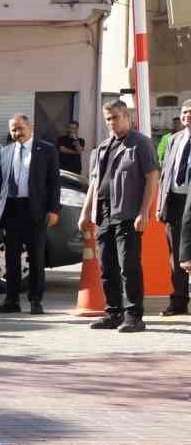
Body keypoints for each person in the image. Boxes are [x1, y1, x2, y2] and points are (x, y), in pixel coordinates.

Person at [80, 99, 159, 333]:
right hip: (104, 213)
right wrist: (85, 212)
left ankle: (134, 315)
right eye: (108, 119)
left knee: (129, 266)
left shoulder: (141, 144)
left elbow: (152, 177)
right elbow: (94, 182)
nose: (111, 123)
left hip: (127, 213)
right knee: (107, 267)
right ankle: (113, 312)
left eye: (115, 117)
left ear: (127, 117)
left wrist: (144, 212)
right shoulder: (103, 147)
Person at [0, 113, 62, 316]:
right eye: (13, 130)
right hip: (11, 210)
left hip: (35, 210)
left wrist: (53, 209)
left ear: (30, 127)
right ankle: (11, 300)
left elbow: (54, 183)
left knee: (36, 258)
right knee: (11, 258)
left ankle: (35, 300)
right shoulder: (4, 152)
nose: (17, 133)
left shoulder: (46, 150)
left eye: (20, 128)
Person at [154, 102, 191, 316]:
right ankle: (178, 302)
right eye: (185, 112)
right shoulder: (173, 140)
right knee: (176, 255)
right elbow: (166, 173)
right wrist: (161, 205)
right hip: (176, 202)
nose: (188, 115)